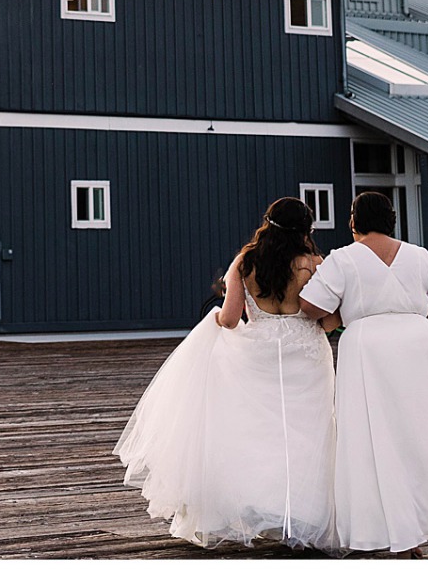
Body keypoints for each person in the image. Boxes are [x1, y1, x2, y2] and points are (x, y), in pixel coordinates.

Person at [114, 197, 340, 550]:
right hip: (305, 357)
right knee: (308, 433)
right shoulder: (314, 265)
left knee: (257, 432)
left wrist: (215, 319)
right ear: (305, 230)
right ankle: (301, 513)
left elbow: (231, 318)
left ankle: (261, 508)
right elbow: (325, 321)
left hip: (259, 354)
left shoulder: (245, 263)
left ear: (268, 224)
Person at [299, 191, 428, 554]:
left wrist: (343, 313)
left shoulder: (344, 259)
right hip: (419, 348)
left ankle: (387, 530)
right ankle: (420, 527)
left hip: (369, 350)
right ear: (392, 220)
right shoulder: (418, 255)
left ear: (354, 221)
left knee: (372, 440)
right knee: (422, 436)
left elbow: (312, 306)